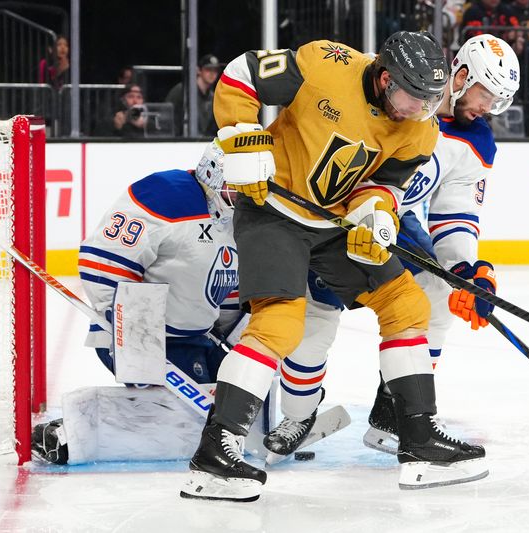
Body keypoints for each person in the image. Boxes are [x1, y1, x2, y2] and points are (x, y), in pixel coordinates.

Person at [181, 31, 488, 502]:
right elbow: (241, 75)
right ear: (386, 79)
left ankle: (418, 440)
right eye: (412, 98)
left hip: (333, 225)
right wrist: (241, 138)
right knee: (281, 323)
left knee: (405, 301)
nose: (419, 112)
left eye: (429, 102)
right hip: (272, 211)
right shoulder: (325, 63)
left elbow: (383, 185)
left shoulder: (420, 127)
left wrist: (375, 216)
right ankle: (215, 453)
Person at [263, 34, 520, 461]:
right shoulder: (399, 96)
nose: (486, 108)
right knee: (313, 326)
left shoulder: (475, 141)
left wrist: (466, 271)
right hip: (330, 218)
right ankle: (299, 415)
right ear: (461, 75)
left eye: (496, 101)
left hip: (392, 224)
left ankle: (395, 415)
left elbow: (455, 213)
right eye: (484, 94)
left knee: (436, 296)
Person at [30, 141, 255, 465]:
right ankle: (71, 432)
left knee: (240, 402)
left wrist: (238, 339)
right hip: (145, 338)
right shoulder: (167, 195)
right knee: (193, 422)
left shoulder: (239, 218)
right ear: (211, 174)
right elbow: (101, 264)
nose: (241, 197)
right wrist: (135, 337)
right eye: (235, 188)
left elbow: (227, 290)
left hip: (195, 340)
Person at [165, 54, 221, 137]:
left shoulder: (213, 96)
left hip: (202, 142)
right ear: (199, 70)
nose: (212, 73)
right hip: (181, 141)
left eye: (215, 70)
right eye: (208, 69)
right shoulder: (182, 90)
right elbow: (167, 116)